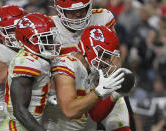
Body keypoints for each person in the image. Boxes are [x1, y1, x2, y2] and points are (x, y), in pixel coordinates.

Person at [44, 0, 134, 130]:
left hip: (97, 80)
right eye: (71, 10)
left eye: (83, 8)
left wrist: (112, 83)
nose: (78, 14)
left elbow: (113, 55)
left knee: (119, 123)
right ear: (59, 10)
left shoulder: (103, 18)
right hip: (64, 90)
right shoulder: (48, 27)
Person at [0, 13, 61, 131]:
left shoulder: (35, 59)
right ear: (26, 39)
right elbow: (19, 111)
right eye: (44, 38)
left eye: (50, 36)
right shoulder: (28, 62)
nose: (50, 41)